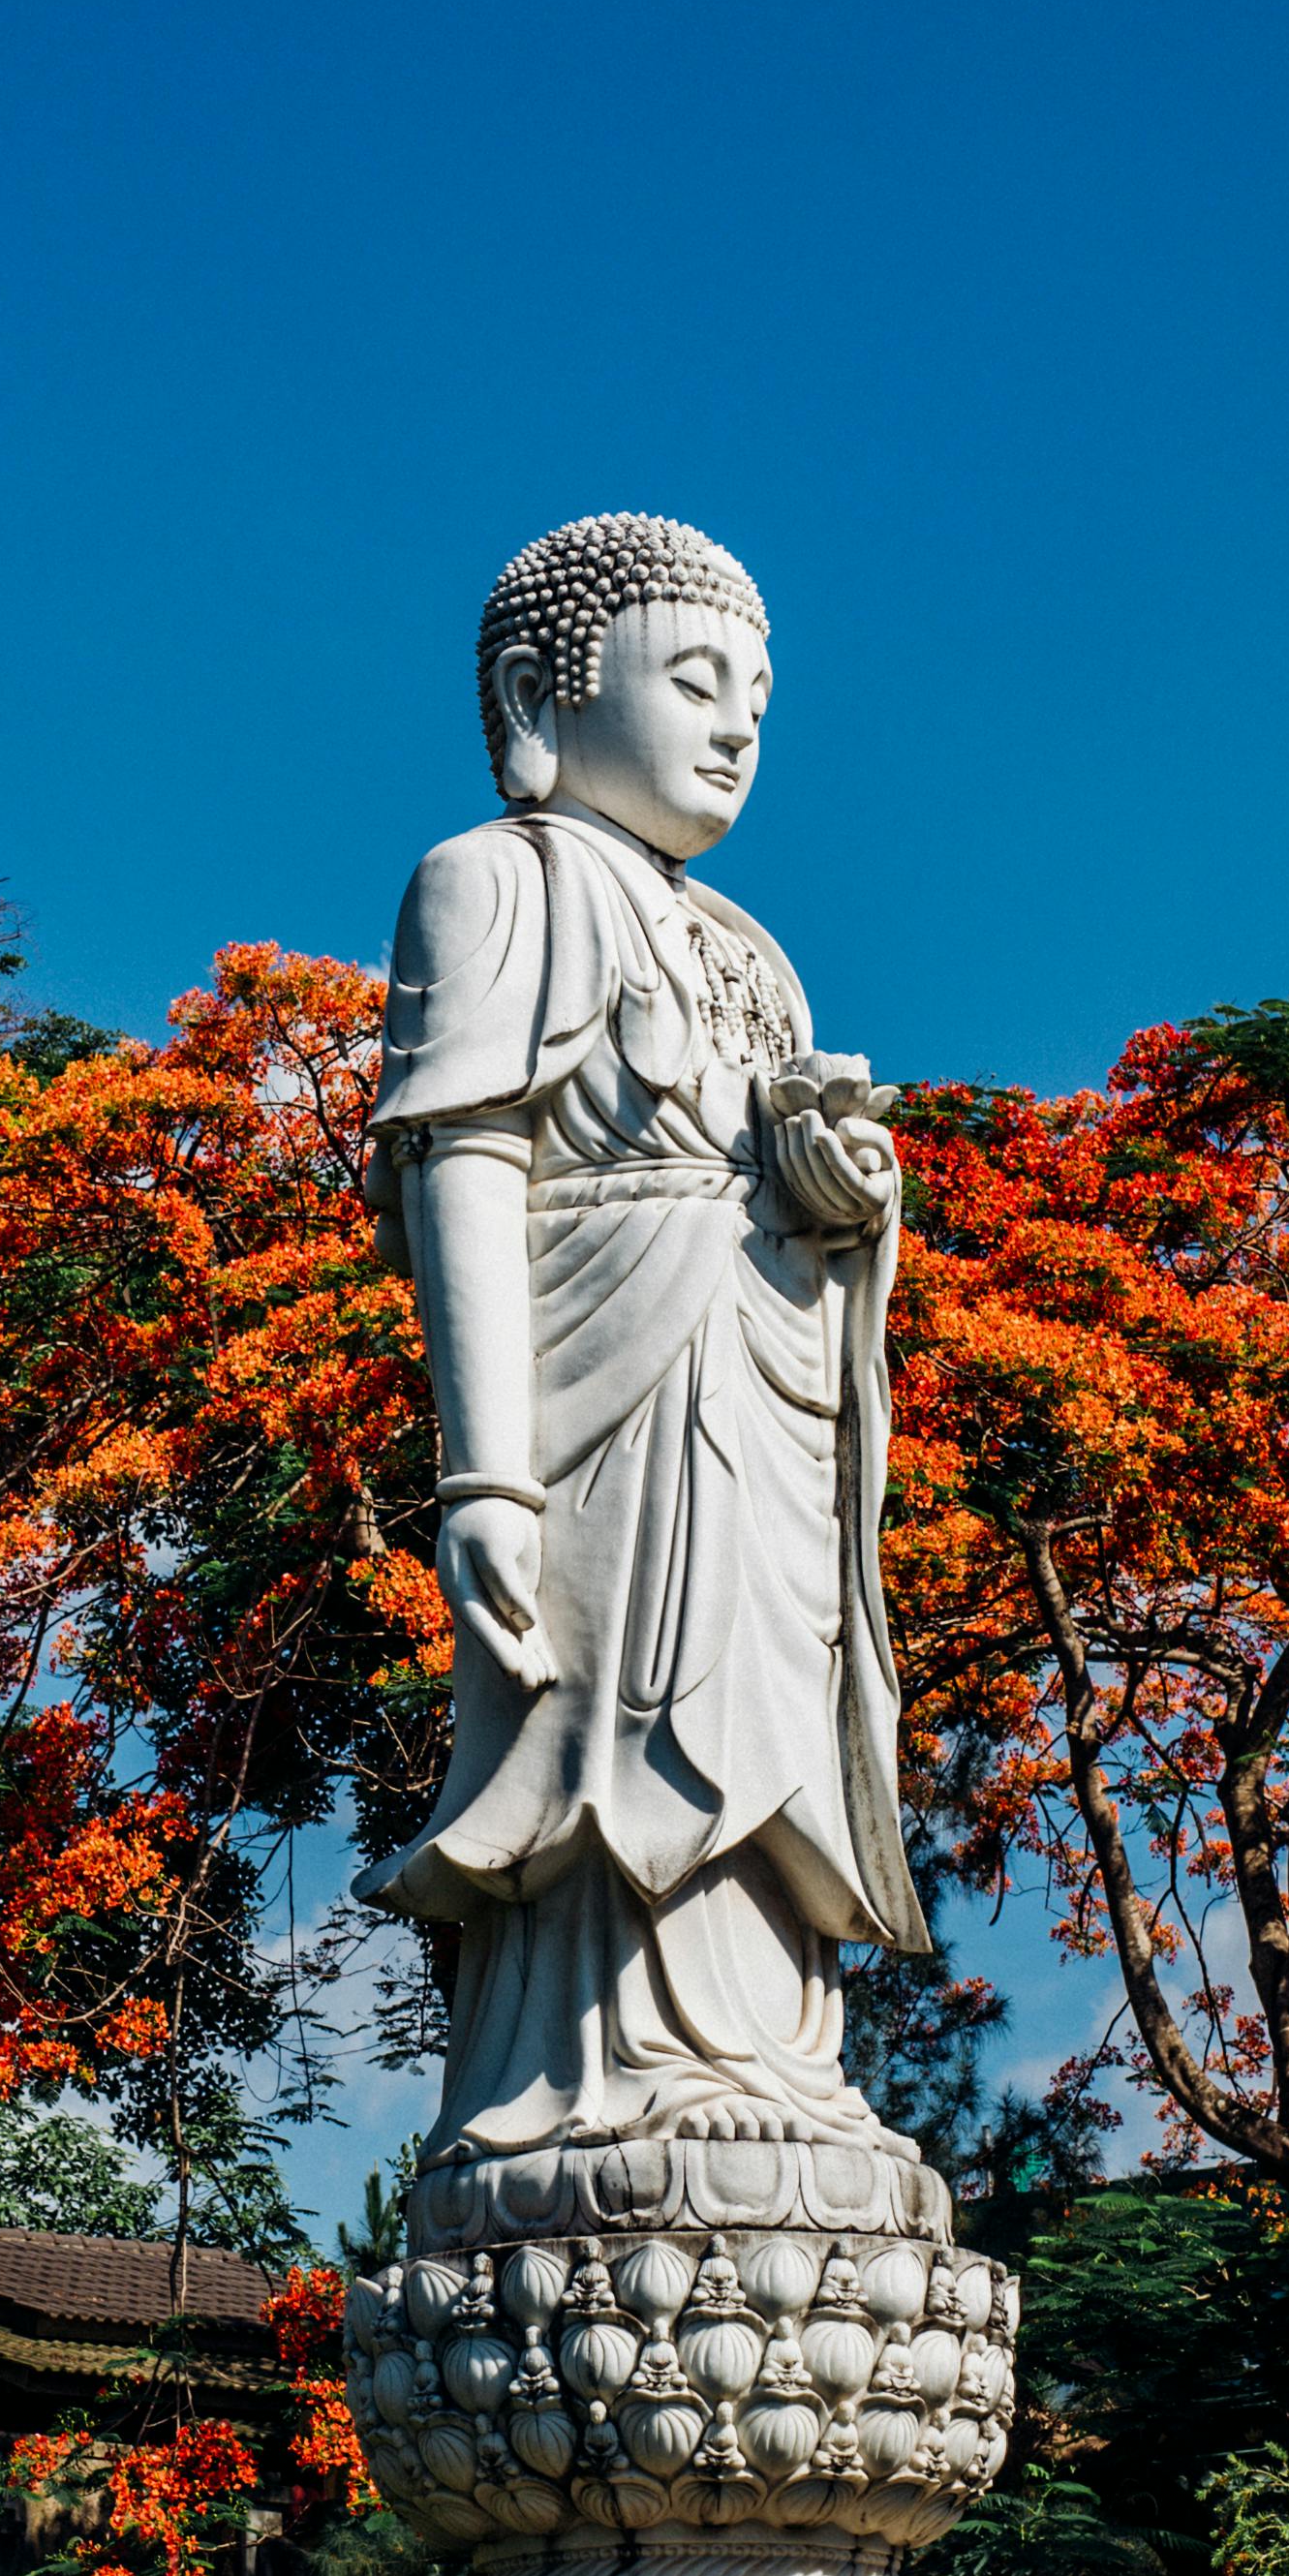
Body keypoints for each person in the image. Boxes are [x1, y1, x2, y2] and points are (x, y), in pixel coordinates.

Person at [358, 513, 933, 2187]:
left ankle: (767, 2050)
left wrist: (844, 1202)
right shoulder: (497, 877)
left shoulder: (759, 953)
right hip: (600, 1384)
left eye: (760, 693)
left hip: (761, 1384)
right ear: (546, 691)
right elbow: (461, 1157)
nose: (740, 723)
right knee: (611, 1708)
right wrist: (486, 1474)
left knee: (762, 1701)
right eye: (696, 680)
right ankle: (596, 2069)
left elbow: (790, 1182)